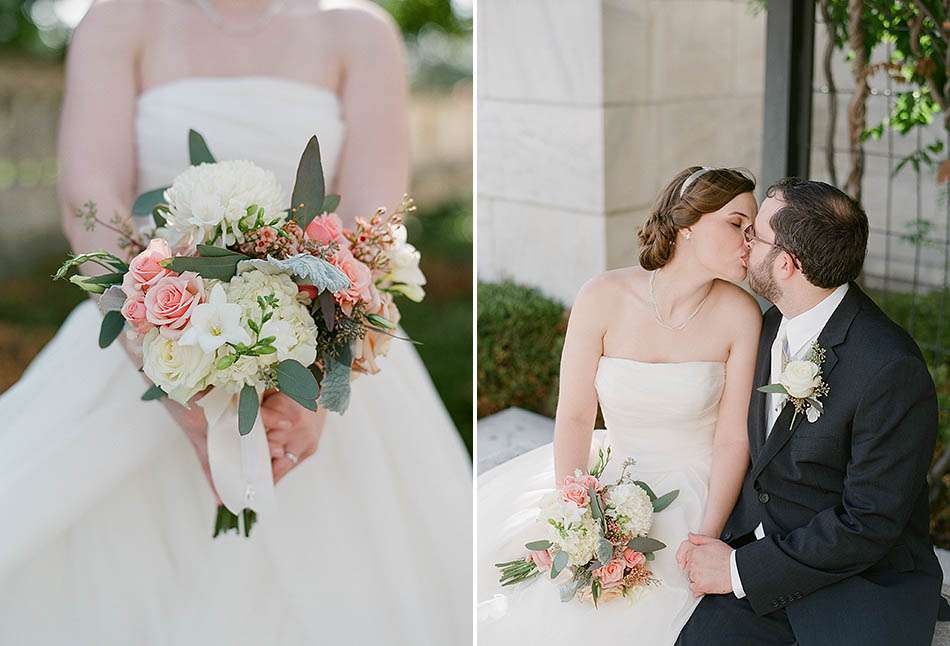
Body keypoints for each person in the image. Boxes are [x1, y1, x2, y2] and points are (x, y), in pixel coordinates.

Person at [0, 1, 471, 643]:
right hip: (143, 343)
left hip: (325, 345)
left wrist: (322, 384)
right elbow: (89, 204)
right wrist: (169, 373)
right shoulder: (118, 22)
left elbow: (375, 220)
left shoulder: (359, 33)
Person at [477, 166, 762, 644]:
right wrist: (575, 509)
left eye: (753, 231)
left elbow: (733, 437)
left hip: (695, 489)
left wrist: (706, 538)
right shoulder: (602, 296)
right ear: (687, 224)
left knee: (639, 607)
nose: (748, 242)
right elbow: (574, 415)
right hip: (606, 473)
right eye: (736, 224)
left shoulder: (740, 314)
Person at [677, 178, 943, 646]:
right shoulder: (767, 324)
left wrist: (737, 570)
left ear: (786, 264)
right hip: (761, 560)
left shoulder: (890, 369)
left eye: (754, 233)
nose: (744, 241)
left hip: (858, 584)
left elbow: (869, 523)